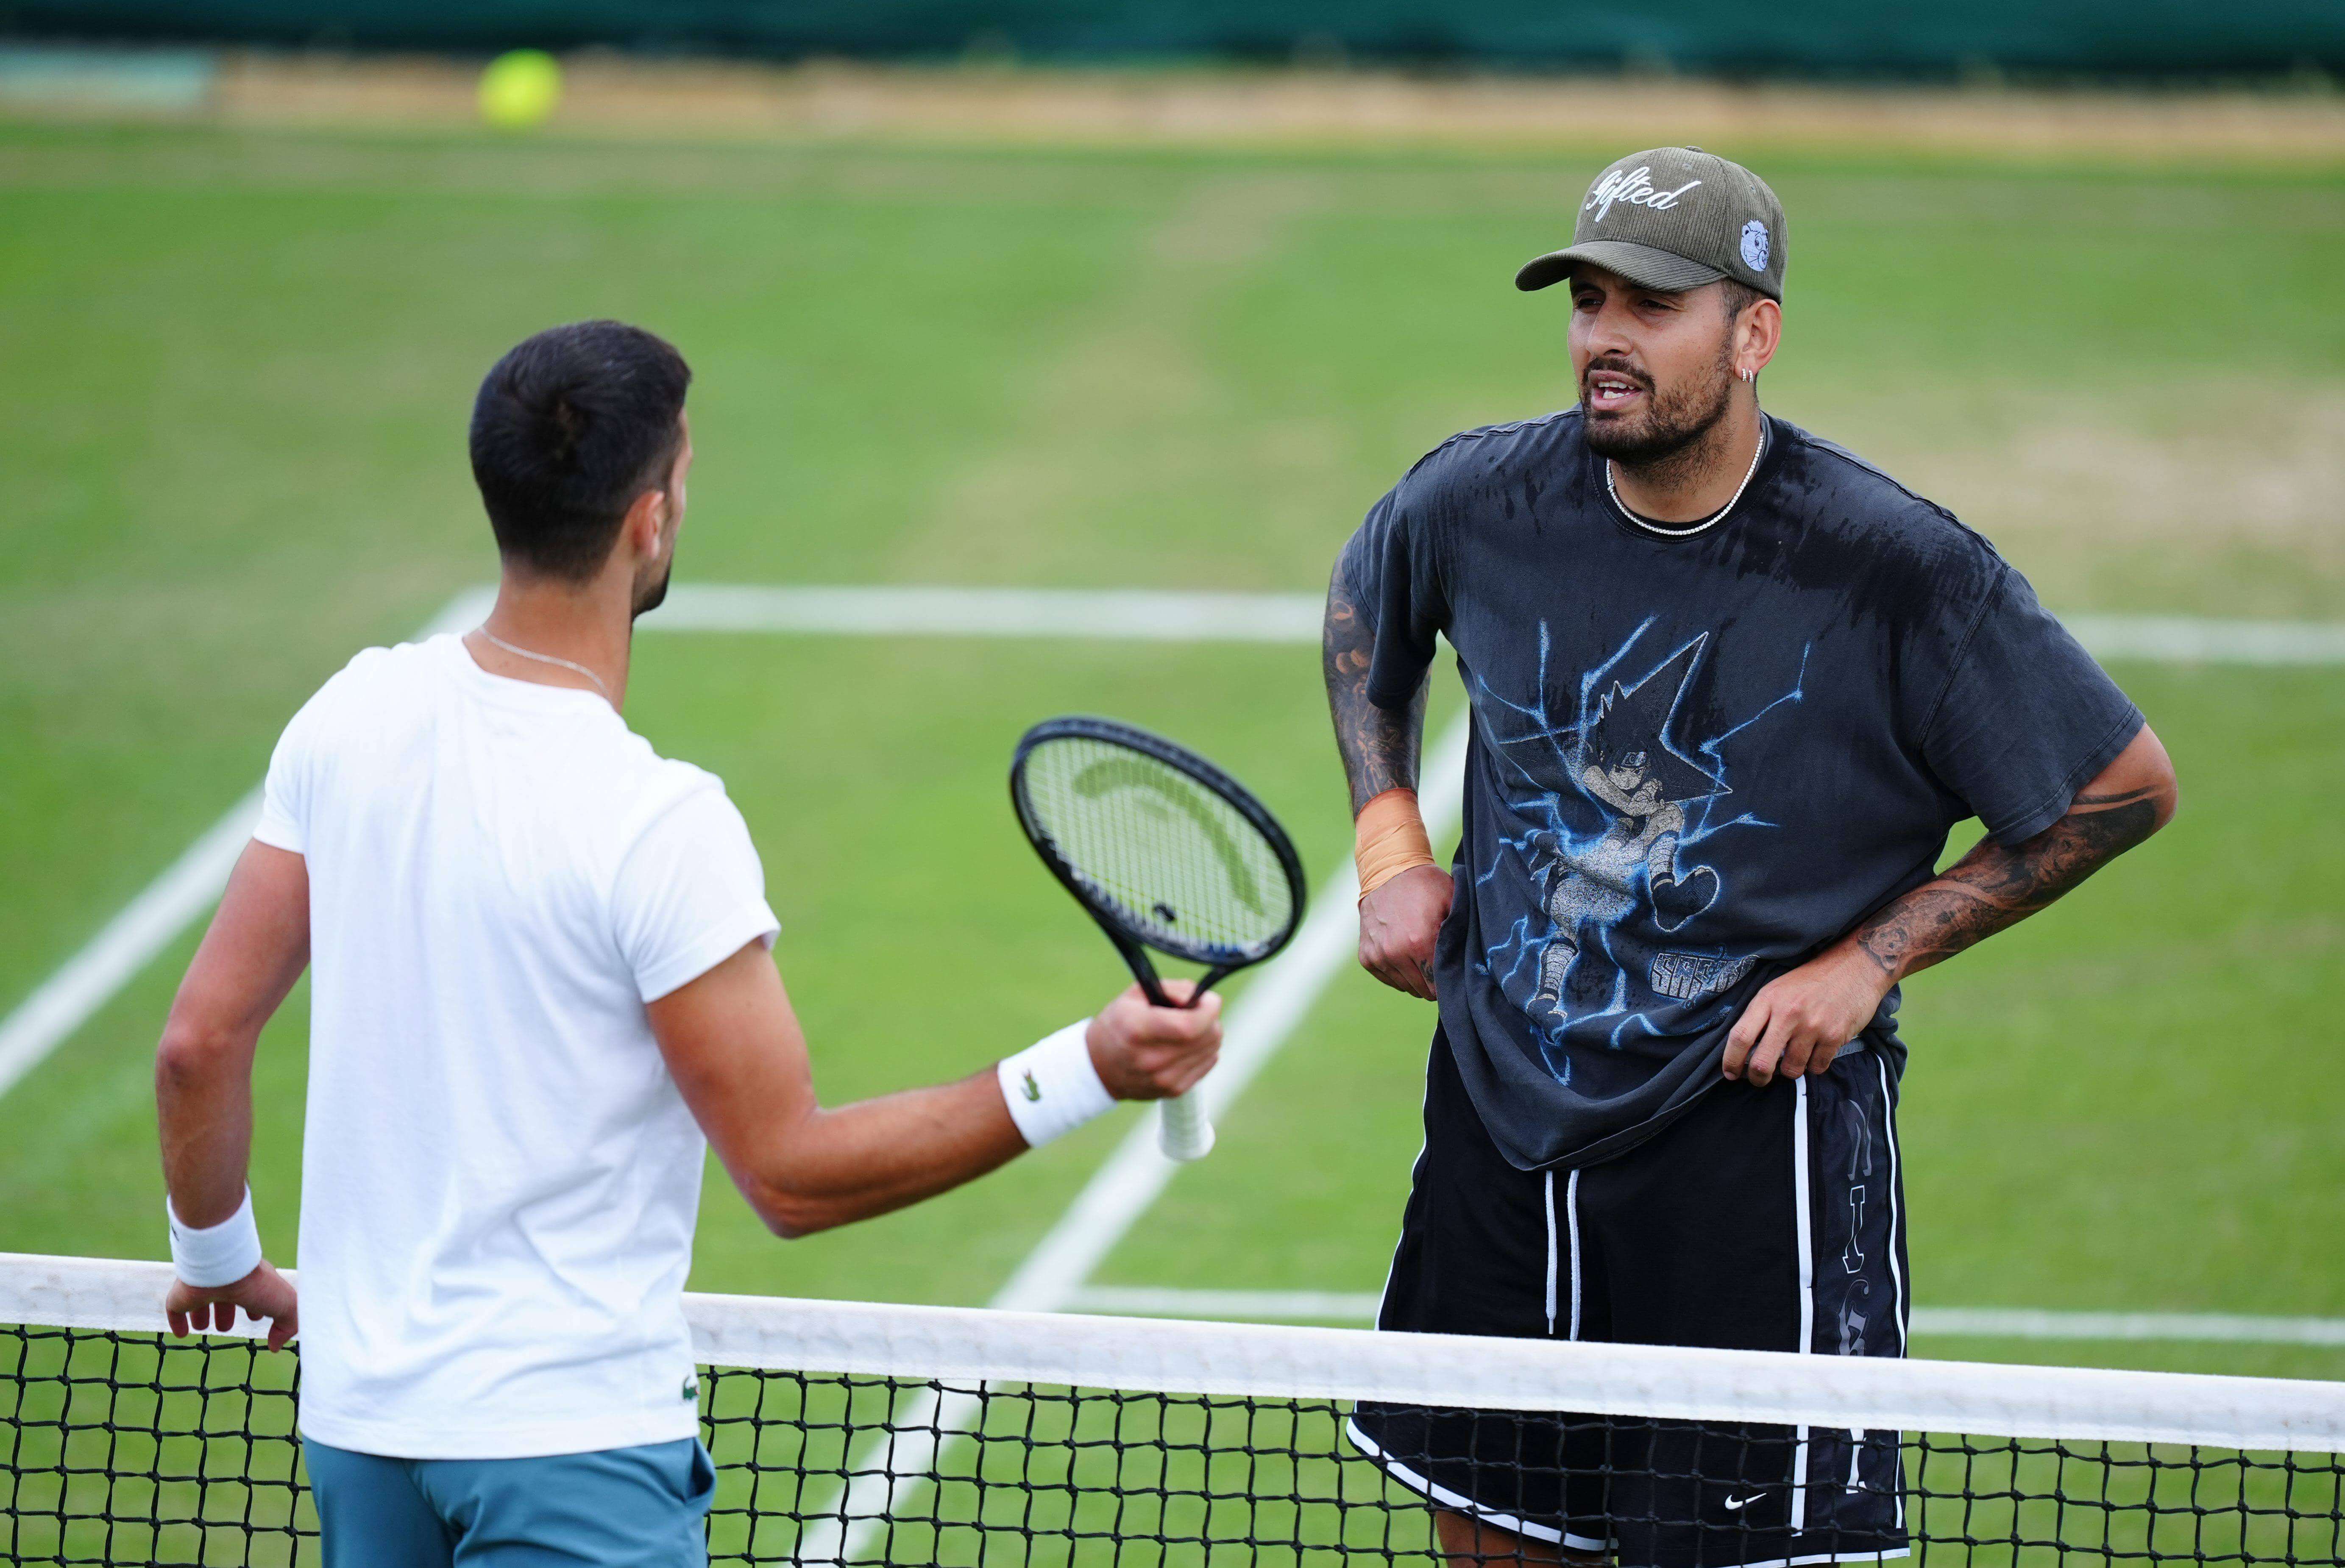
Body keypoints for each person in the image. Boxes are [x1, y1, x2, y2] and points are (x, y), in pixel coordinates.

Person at [151, 319, 1222, 1567]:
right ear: (648, 522)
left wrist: (218, 1258)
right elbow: (790, 1173)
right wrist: (1087, 1067)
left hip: (360, 1437)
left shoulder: (351, 716)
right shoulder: (657, 822)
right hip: (573, 1458)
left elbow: (198, 1041)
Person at [1325, 149, 2178, 1568]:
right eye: (1587, 299)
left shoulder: (1893, 567)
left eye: (1650, 306)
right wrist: (1388, 841)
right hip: (1495, 1130)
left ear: (1753, 330)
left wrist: (1869, 957)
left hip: (1750, 1159)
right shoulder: (1479, 499)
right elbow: (1369, 601)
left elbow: (2121, 789)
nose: (1604, 337)